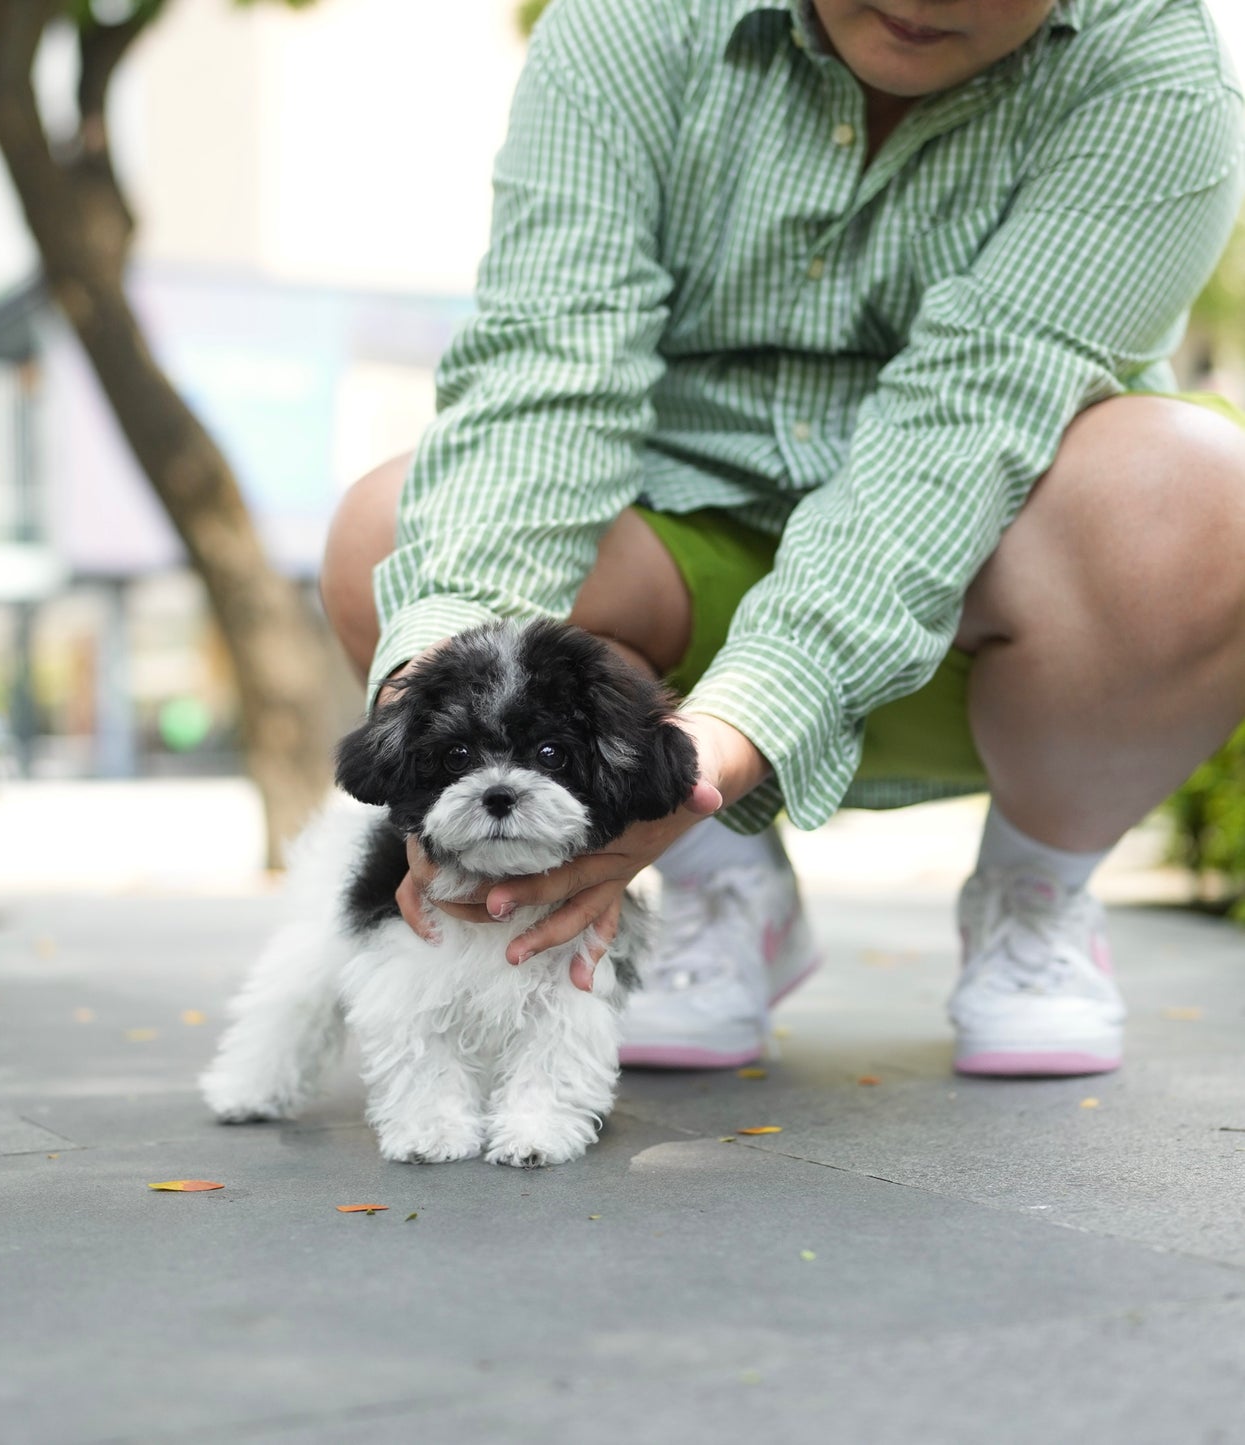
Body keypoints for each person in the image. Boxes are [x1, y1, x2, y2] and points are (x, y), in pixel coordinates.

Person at [319, 0, 1245, 1077]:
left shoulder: (1157, 73)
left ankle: (1033, 896)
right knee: (393, 533)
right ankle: (724, 885)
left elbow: (960, 432)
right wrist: (439, 695)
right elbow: (547, 374)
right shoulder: (632, 22)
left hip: (996, 589)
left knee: (1197, 495)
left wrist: (720, 744)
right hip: (669, 575)